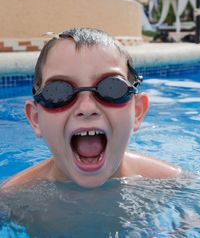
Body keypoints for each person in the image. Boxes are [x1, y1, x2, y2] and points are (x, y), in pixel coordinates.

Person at [1, 27, 181, 191]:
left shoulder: (172, 185)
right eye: (58, 91)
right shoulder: (12, 197)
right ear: (36, 119)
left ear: (138, 111)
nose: (87, 108)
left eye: (112, 87)